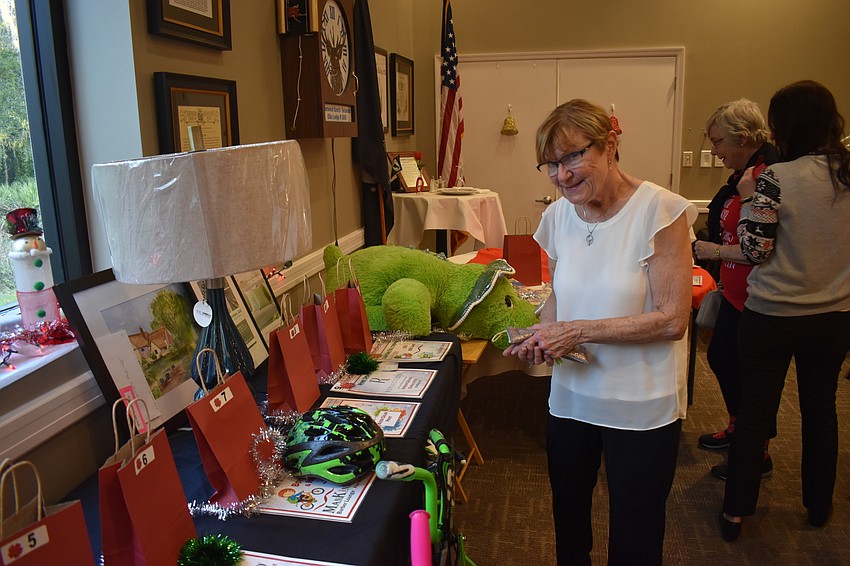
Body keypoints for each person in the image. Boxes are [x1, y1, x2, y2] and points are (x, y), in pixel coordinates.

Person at [503, 99, 696, 564]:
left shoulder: (660, 211)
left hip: (640, 404)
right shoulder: (557, 217)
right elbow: (559, 297)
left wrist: (578, 331)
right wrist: (542, 334)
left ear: (610, 146)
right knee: (569, 521)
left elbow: (673, 319)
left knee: (635, 534)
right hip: (572, 396)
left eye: (573, 156)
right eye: (551, 163)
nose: (562, 174)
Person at [719, 80, 850, 542]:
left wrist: (749, 197)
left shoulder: (777, 177)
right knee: (821, 410)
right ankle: (818, 504)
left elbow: (755, 250)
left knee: (755, 414)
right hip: (834, 316)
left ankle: (736, 512)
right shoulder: (847, 174)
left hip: (773, 315)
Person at [693, 100, 779, 481]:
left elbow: (758, 249)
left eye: (718, 141)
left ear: (742, 137)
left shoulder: (766, 176)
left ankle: (758, 450)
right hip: (734, 292)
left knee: (752, 375)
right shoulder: (742, 175)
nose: (714, 151)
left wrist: (713, 251)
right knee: (722, 357)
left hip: (758, 298)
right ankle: (738, 428)